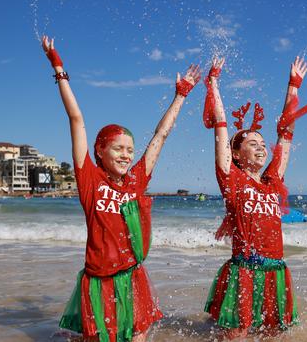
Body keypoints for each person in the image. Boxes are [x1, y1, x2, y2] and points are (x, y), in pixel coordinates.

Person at [41, 35, 201, 342]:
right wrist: (58, 66)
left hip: (131, 278)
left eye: (130, 149)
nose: (127, 154)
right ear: (100, 150)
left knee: (138, 337)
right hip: (98, 281)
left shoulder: (136, 180)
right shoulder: (89, 179)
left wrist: (181, 96)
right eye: (118, 148)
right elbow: (76, 119)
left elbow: (160, 137)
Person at [202, 56, 307, 338]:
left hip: (276, 272)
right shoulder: (231, 178)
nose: (261, 148)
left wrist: (293, 85)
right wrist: (213, 83)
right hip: (243, 271)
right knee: (236, 335)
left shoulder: (273, 181)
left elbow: (286, 131)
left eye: (262, 143)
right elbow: (221, 126)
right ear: (236, 154)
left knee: (273, 335)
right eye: (252, 143)